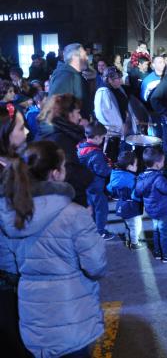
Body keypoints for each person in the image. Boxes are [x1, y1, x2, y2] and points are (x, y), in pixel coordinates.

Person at [0, 141, 106, 358]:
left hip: (33, 315)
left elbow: (9, 265)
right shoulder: (75, 214)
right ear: (56, 173)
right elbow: (96, 265)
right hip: (72, 313)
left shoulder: (12, 215)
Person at [0, 102, 30, 357]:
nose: (27, 132)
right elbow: (15, 225)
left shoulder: (14, 164)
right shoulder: (5, 174)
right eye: (21, 128)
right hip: (9, 278)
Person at [37, 93, 94, 207]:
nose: (79, 117)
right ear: (68, 114)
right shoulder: (61, 139)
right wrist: (88, 174)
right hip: (66, 203)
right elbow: (71, 177)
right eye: (77, 112)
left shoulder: (54, 133)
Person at [135, 147, 167, 263]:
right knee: (164, 233)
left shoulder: (141, 177)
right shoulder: (158, 178)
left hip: (151, 210)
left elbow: (138, 192)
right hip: (163, 210)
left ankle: (158, 252)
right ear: (157, 164)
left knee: (156, 230)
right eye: (163, 161)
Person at [78, 121, 114, 240]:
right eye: (103, 138)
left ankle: (92, 228)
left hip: (86, 185)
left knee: (91, 208)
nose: (103, 140)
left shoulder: (81, 148)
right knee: (101, 210)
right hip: (96, 187)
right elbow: (102, 171)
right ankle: (100, 232)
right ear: (97, 137)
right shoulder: (96, 154)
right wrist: (111, 169)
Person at [107, 151, 144, 250]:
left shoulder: (115, 174)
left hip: (121, 204)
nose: (137, 166)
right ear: (129, 166)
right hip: (131, 207)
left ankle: (128, 239)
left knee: (129, 224)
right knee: (136, 226)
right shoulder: (132, 179)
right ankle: (134, 243)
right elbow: (135, 195)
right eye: (136, 165)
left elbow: (109, 188)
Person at [48, 43, 92, 119]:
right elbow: (55, 107)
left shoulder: (72, 75)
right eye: (84, 55)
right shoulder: (65, 76)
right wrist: (78, 121)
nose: (87, 58)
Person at [94, 67, 129, 137]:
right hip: (112, 133)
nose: (121, 80)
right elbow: (103, 115)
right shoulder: (103, 93)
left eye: (120, 77)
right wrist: (119, 128)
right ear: (110, 80)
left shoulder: (118, 88)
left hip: (122, 129)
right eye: (118, 78)